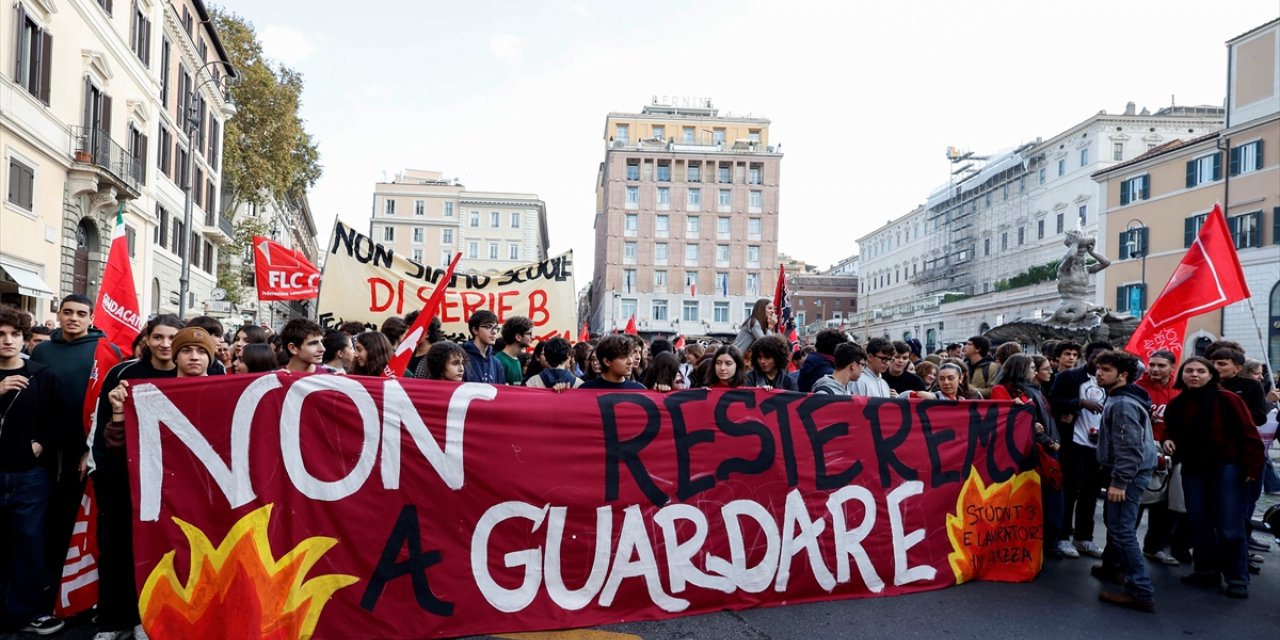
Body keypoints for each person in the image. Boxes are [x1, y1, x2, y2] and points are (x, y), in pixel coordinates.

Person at [28, 294, 121, 632]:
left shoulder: (106, 352)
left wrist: (91, 448)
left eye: (81, 314)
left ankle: (77, 591)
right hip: (45, 449)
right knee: (45, 520)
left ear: (91, 317)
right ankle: (44, 585)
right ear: (59, 314)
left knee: (74, 521)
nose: (72, 319)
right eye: (66, 312)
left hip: (84, 452)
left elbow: (111, 407)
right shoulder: (41, 351)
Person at [89, 314, 183, 640]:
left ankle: (151, 616)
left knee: (166, 552)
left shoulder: (198, 374)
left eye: (173, 338)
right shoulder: (122, 373)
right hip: (123, 478)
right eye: (159, 337)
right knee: (116, 550)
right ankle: (113, 620)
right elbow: (101, 430)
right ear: (147, 338)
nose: (166, 345)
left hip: (175, 484)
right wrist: (105, 473)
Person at [1162, 357, 1263, 599]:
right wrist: (1167, 438)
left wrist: (1252, 468)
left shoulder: (1228, 399)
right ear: (1182, 375)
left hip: (1227, 467)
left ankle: (1237, 577)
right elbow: (1171, 428)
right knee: (1199, 522)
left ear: (1210, 375)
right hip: (1194, 469)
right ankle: (1205, 571)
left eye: (1200, 371)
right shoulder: (1178, 403)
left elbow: (1249, 433)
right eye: (1189, 371)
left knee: (1229, 525)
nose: (1194, 375)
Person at [0, 305, 63, 636]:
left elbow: (60, 420)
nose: (8, 340)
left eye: (15, 334)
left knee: (29, 545)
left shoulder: (42, 374)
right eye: (1, 334)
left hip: (30, 476)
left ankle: (25, 614)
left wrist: (41, 445)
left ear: (25, 338)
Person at [1091, 351, 1158, 612]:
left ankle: (1141, 590)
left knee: (1123, 530)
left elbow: (1130, 448)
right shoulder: (1122, 397)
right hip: (1129, 471)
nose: (1099, 373)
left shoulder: (1122, 404)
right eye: (1098, 368)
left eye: (1105, 369)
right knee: (1119, 527)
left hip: (1128, 474)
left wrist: (1119, 482)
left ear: (1123, 375)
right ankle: (1116, 572)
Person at [1049, 340, 1112, 560]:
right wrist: (1079, 403)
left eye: (1105, 358)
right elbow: (1054, 402)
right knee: (1069, 491)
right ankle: (1063, 536)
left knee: (1091, 493)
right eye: (1096, 357)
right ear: (1088, 357)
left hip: (1098, 446)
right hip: (1073, 443)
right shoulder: (1069, 377)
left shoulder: (1111, 381)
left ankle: (1085, 537)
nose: (1100, 362)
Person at [1134, 350, 1182, 566]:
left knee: (1165, 504)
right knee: (1137, 501)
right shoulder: (1136, 388)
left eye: (1161, 366)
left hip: (1170, 453)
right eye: (1151, 364)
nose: (1154, 369)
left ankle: (1155, 547)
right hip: (1141, 453)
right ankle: (1121, 548)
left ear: (1172, 367)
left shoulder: (1180, 390)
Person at [579, 336, 645, 390]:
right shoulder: (586, 389)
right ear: (607, 361)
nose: (630, 361)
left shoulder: (639, 390)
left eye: (630, 355)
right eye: (623, 357)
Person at [462, 311, 506, 384]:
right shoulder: (462, 359)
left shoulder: (496, 363)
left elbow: (499, 392)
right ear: (475, 330)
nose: (494, 332)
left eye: (495, 328)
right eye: (488, 327)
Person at [496, 316, 533, 386]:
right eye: (529, 334)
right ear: (518, 337)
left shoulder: (516, 360)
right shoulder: (500, 361)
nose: (532, 337)